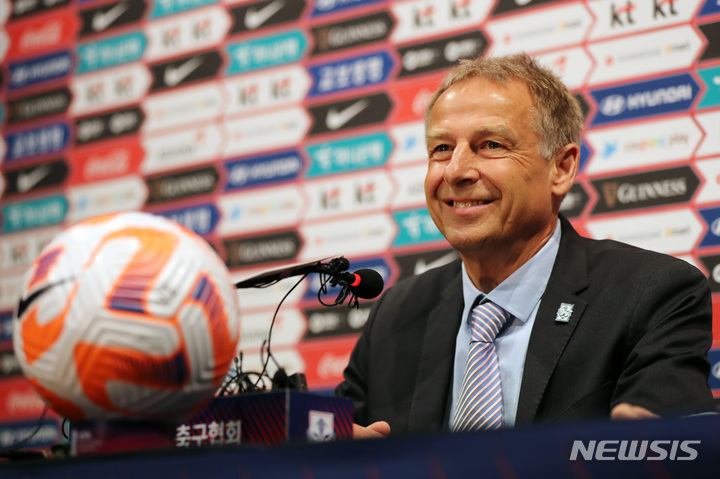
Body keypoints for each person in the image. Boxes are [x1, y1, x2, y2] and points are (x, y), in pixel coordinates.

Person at [334, 53, 714, 438]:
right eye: (441, 149)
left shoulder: (651, 294)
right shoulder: (397, 314)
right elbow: (330, 443)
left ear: (561, 168)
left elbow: (669, 452)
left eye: (491, 144)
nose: (456, 171)